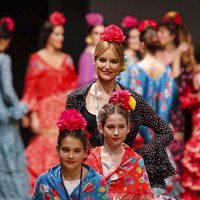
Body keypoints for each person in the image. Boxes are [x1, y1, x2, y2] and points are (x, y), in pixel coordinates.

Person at [66, 24, 176, 189]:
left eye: (114, 61)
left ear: (121, 65)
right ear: (94, 61)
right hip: (85, 178)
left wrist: (139, 155)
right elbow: (67, 140)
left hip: (123, 180)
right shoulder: (77, 98)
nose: (107, 66)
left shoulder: (133, 99)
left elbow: (165, 131)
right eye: (102, 60)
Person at [22, 11, 78, 191]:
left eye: (62, 34)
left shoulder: (67, 59)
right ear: (48, 35)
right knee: (44, 148)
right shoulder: (36, 59)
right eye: (57, 33)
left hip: (62, 110)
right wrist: (33, 116)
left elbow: (74, 90)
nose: (61, 37)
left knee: (65, 146)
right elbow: (31, 90)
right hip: (45, 111)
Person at [85, 89, 154, 199]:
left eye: (121, 127)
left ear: (128, 128)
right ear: (101, 128)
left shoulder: (135, 162)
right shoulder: (89, 158)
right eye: (110, 127)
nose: (116, 133)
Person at [32, 109, 109, 199]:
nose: (70, 156)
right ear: (57, 150)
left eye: (77, 151)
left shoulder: (96, 182)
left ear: (85, 152)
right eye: (66, 150)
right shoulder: (45, 181)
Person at [156, 11, 196, 173]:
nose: (159, 35)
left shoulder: (183, 56)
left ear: (172, 36)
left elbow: (177, 85)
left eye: (162, 32)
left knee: (175, 157)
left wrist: (178, 54)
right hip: (156, 109)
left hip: (175, 111)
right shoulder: (155, 55)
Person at [128, 19, 176, 144]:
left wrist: (148, 137)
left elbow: (136, 106)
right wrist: (159, 134)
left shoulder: (136, 70)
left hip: (140, 136)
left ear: (142, 44)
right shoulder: (167, 70)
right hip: (161, 134)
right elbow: (167, 105)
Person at [0, 17, 30, 199]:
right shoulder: (3, 58)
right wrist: (20, 110)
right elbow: (8, 90)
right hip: (4, 116)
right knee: (10, 159)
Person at [78, 12, 105, 87]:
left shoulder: (105, 53)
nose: (100, 36)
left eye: (102, 33)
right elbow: (85, 84)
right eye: (96, 33)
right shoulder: (87, 56)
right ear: (90, 35)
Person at [118, 15, 141, 87]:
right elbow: (122, 82)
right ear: (127, 39)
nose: (138, 40)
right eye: (133, 37)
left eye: (139, 37)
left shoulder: (137, 56)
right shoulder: (125, 57)